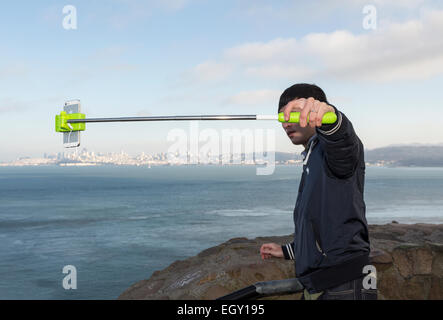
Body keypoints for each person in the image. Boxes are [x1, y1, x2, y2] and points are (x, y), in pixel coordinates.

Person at [260, 83, 376, 300]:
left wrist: (330, 116)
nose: (286, 122)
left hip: (344, 285)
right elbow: (325, 226)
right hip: (321, 284)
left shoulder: (331, 149)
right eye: (281, 116)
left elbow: (342, 141)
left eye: (293, 114)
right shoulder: (312, 156)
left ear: (312, 112)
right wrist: (288, 251)